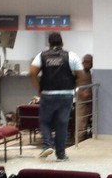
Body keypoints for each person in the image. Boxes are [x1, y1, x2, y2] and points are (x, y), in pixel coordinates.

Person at [30, 32, 86, 161]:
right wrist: (74, 87)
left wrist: (39, 87)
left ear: (49, 43)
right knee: (62, 124)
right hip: (66, 94)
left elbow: (32, 73)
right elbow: (81, 75)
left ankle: (47, 145)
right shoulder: (71, 56)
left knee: (45, 121)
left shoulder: (41, 55)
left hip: (47, 94)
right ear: (62, 43)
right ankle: (61, 155)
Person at [76, 54, 93, 140]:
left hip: (89, 101)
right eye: (85, 62)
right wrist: (81, 93)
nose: (87, 64)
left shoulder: (89, 73)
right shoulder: (78, 72)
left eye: (89, 63)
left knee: (86, 122)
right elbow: (72, 85)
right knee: (81, 123)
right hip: (81, 101)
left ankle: (84, 139)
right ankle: (79, 140)